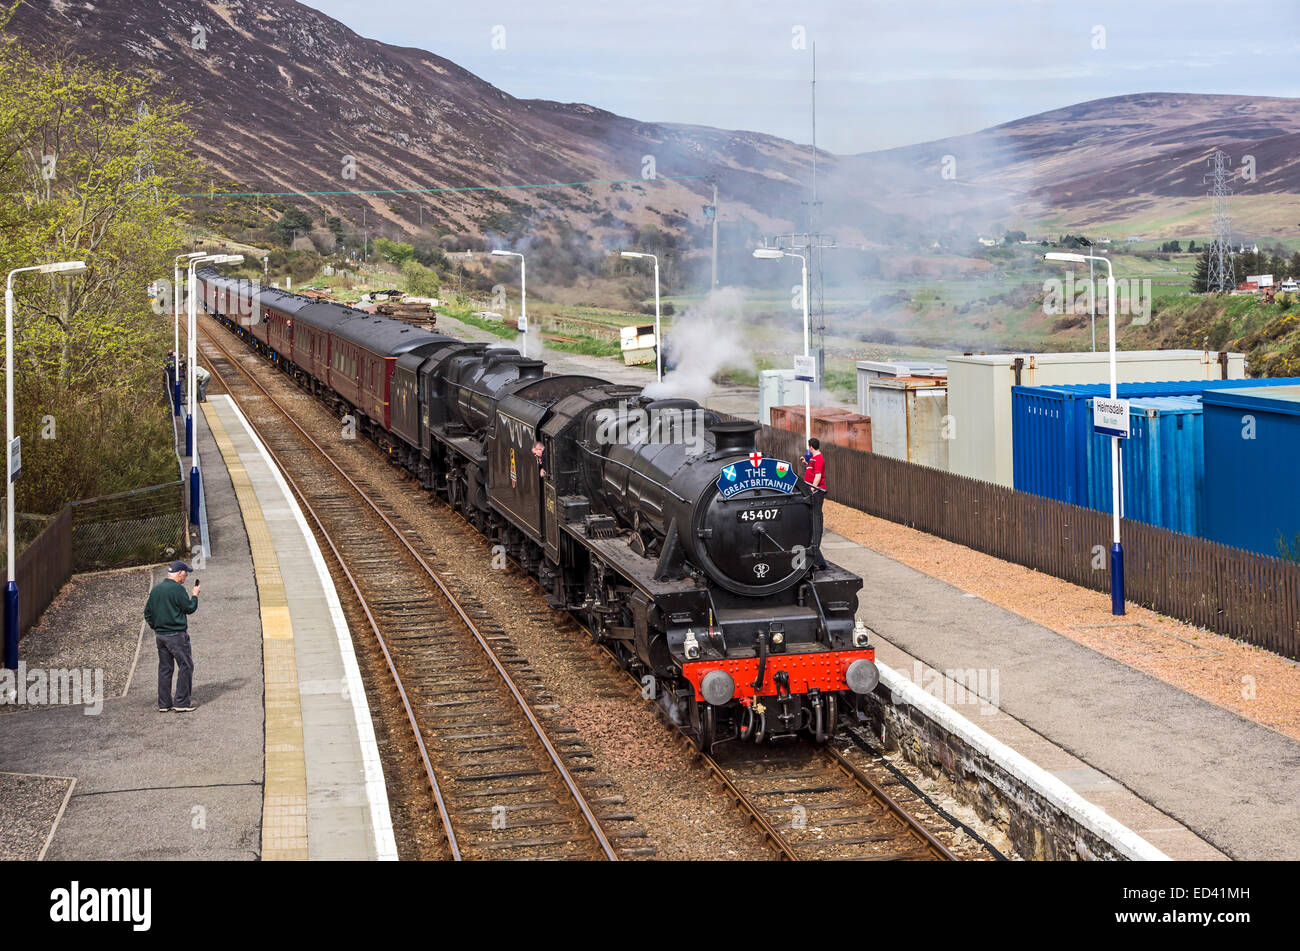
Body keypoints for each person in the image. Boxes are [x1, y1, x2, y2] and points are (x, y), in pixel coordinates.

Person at [144, 560, 200, 712]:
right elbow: (189, 608)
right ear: (180, 573)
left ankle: (164, 703)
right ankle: (181, 702)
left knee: (165, 669)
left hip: (160, 636)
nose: (185, 578)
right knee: (186, 666)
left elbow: (147, 613)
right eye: (185, 574)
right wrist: (195, 595)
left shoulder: (156, 589)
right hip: (176, 636)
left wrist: (156, 627)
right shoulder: (177, 590)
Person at [804, 438, 828, 570]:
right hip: (812, 489)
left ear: (811, 446)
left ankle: (815, 540)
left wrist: (813, 488)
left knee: (816, 514)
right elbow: (812, 469)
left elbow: (818, 475)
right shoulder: (813, 459)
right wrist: (805, 462)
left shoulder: (819, 459)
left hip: (816, 492)